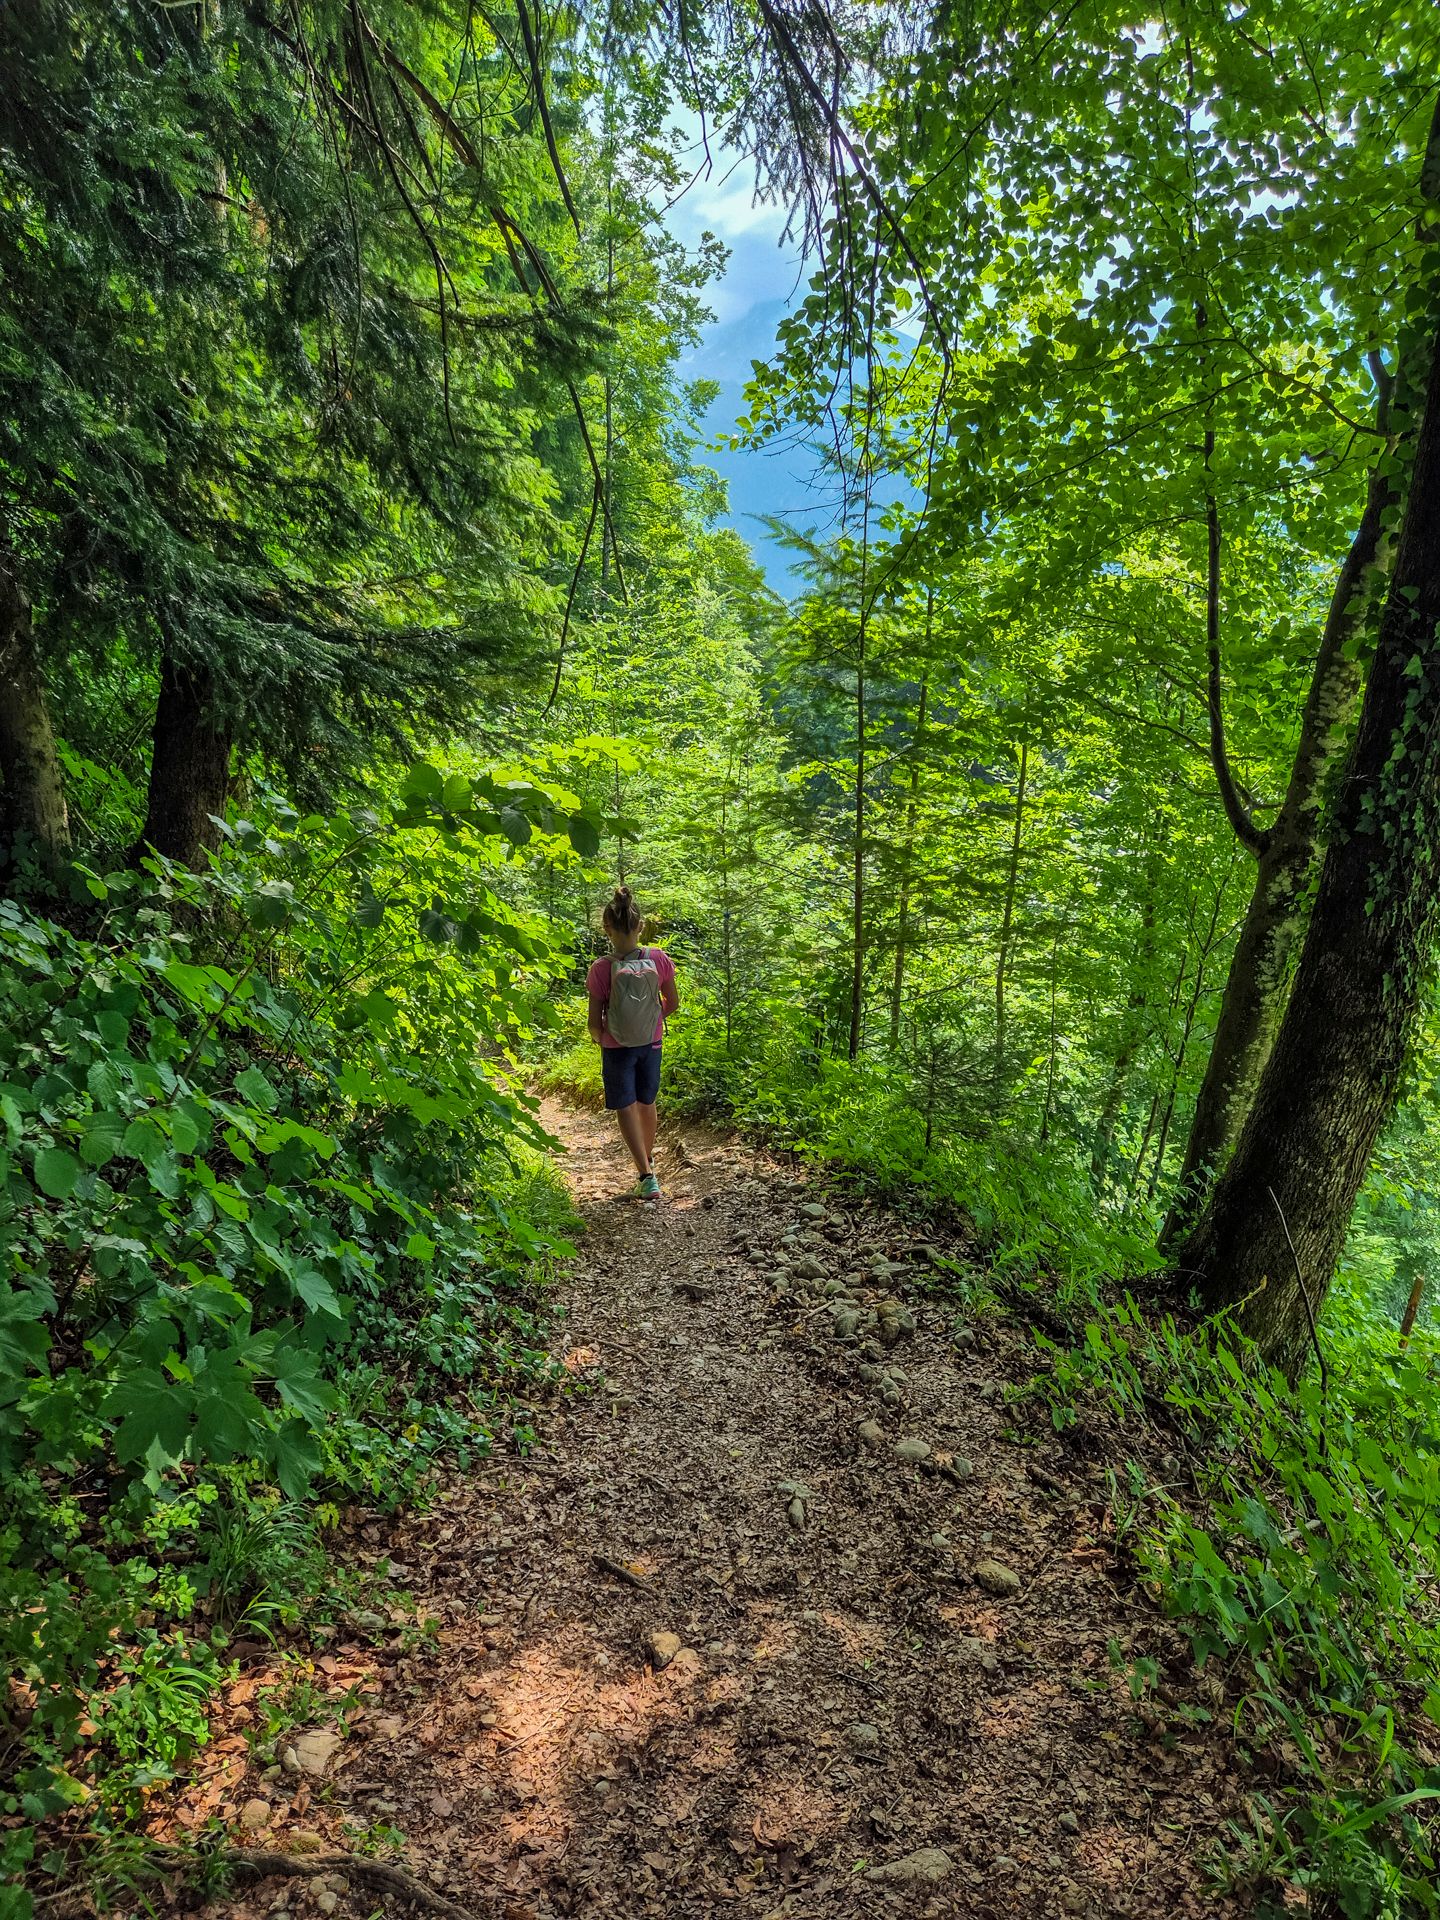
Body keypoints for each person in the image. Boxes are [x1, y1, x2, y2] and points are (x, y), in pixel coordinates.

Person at [586, 886, 679, 1197]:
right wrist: (651, 1023)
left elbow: (593, 1020)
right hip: (651, 1044)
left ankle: (645, 1175)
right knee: (647, 1102)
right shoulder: (659, 958)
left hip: (617, 1048)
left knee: (625, 1107)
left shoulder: (601, 968)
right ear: (641, 926)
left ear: (606, 928)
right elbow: (672, 1002)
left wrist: (605, 1039)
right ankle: (648, 1163)